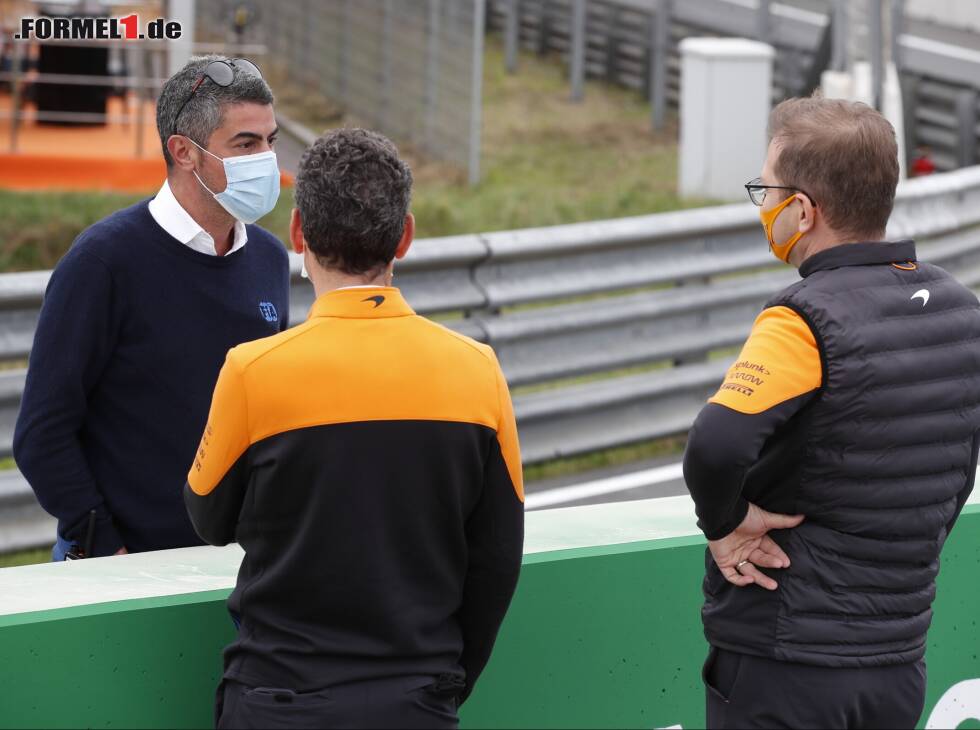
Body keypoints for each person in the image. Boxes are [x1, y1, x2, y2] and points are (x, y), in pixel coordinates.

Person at [184, 128, 525, 729]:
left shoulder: (252, 370)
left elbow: (209, 519)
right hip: (415, 697)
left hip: (277, 696)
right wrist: (444, 681)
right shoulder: (477, 370)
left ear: (297, 234)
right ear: (405, 237)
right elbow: (496, 556)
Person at [683, 95, 980, 729]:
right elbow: (956, 473)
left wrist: (727, 524)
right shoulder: (962, 311)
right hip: (897, 661)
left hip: (788, 659)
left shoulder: (803, 317)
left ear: (803, 211)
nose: (763, 206)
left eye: (768, 189)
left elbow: (713, 444)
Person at [13, 56, 290, 560]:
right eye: (246, 144)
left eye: (271, 141)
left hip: (237, 566)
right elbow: (42, 432)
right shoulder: (103, 261)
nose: (266, 160)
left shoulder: (270, 259)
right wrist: (106, 548)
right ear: (184, 152)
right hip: (121, 566)